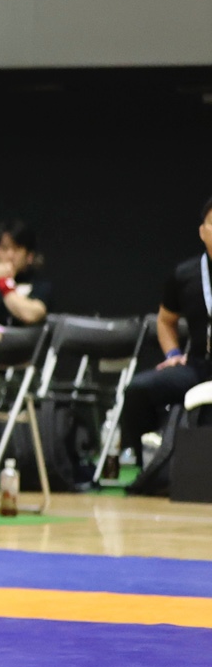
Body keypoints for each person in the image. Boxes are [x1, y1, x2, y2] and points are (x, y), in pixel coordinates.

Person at [122, 197, 212, 487]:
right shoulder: (185, 275)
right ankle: (149, 468)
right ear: (202, 232)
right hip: (199, 367)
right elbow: (165, 320)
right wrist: (172, 352)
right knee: (139, 389)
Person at [0, 220, 52, 326]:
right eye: (4, 248)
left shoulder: (41, 285)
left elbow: (31, 315)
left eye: (17, 249)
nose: (10, 255)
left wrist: (3, 282)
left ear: (29, 256)